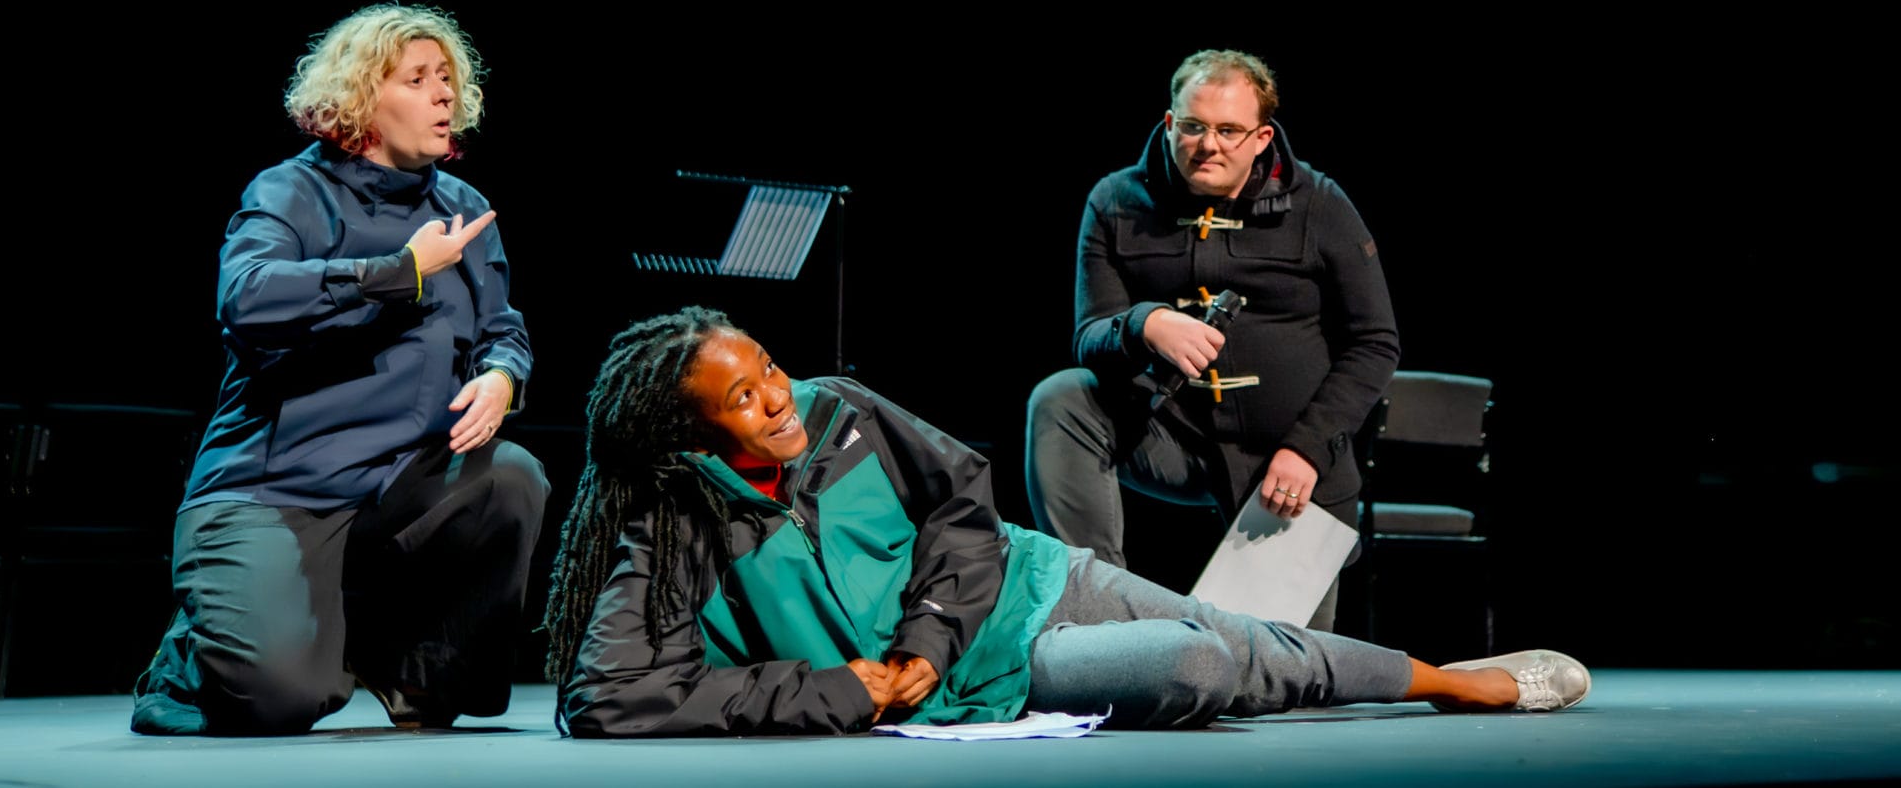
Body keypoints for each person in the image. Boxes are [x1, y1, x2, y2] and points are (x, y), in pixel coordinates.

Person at [544, 308, 1587, 735]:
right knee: (1198, 667)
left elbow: (962, 501)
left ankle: (1442, 679)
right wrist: (838, 689)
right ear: (687, 436)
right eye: (742, 398)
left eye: (766, 369)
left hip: (1019, 584)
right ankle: (1351, 674)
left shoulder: (840, 411)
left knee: (1234, 638)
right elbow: (605, 696)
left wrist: (918, 640)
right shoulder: (671, 525)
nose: (776, 398)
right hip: (986, 682)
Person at [130, 3, 548, 736]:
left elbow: (501, 327)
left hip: (397, 490)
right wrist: (397, 271)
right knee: (281, 701)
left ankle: (414, 677)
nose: (445, 93)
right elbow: (246, 295)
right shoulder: (292, 190)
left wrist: (502, 375)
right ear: (360, 98)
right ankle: (188, 660)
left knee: (511, 474)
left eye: (447, 78)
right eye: (418, 78)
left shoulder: (464, 208)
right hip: (279, 488)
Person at [1025, 49, 1396, 630]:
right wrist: (1143, 323)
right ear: (1170, 123)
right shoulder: (1117, 201)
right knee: (1062, 399)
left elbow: (1375, 342)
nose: (1208, 145)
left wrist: (1308, 449)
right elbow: (1090, 335)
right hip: (1171, 437)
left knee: (1268, 676)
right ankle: (1097, 621)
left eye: (1228, 131)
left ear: (1261, 137)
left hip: (1286, 465)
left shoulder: (1319, 204)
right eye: (1193, 127)